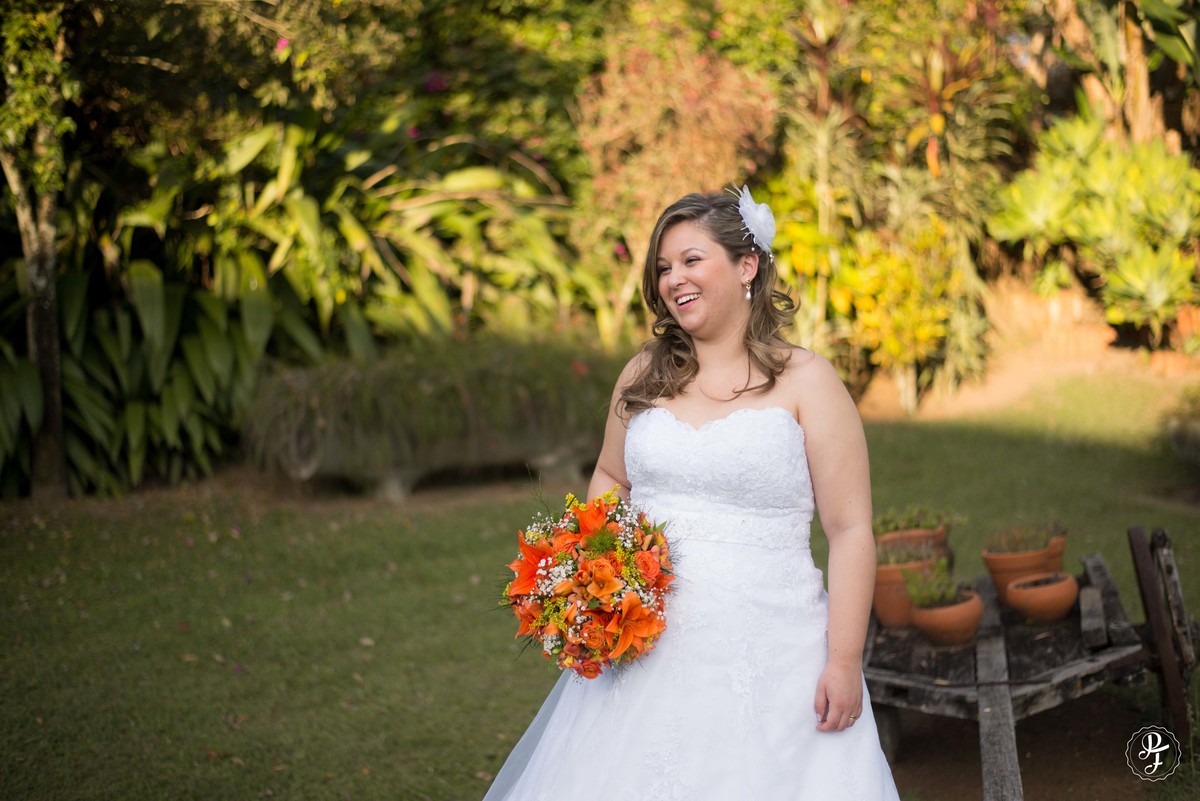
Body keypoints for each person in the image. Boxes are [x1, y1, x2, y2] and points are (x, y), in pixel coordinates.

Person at [483, 187, 900, 800]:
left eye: (691, 260)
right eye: (663, 267)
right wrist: (592, 575)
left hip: (773, 653)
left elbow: (851, 530)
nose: (673, 278)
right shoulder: (643, 373)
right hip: (643, 647)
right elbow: (611, 476)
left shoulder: (808, 381)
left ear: (747, 265)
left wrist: (843, 661)